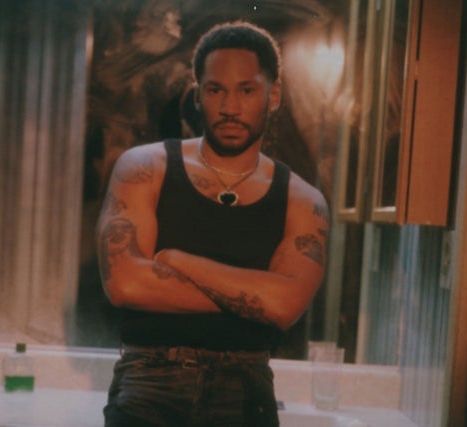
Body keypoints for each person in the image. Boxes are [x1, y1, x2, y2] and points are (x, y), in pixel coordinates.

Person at [96, 21, 329, 427]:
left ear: (273, 95)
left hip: (245, 389)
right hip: (151, 379)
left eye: (247, 90)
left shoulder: (303, 200)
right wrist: (254, 299)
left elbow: (284, 306)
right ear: (198, 94)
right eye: (215, 90)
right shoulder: (145, 167)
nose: (230, 107)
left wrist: (177, 260)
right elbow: (126, 284)